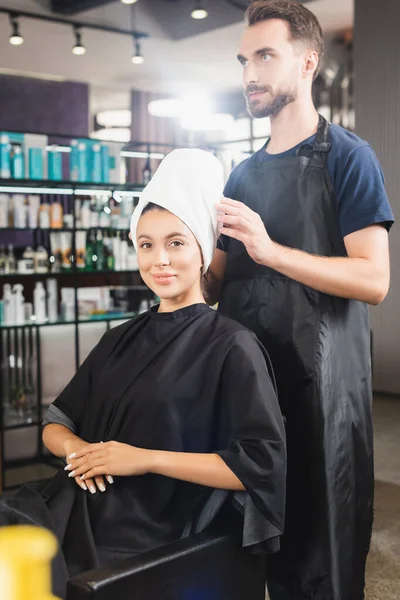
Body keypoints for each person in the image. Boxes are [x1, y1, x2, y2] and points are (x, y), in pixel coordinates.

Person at [0, 149, 286, 599]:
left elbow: (260, 467)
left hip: (153, 529)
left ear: (203, 249)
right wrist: (79, 452)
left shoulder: (232, 346)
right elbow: (56, 424)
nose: (160, 260)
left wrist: (143, 458)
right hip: (75, 502)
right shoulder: (120, 338)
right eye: (146, 244)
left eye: (176, 242)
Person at [207, 2, 394, 600]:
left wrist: (272, 251)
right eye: (244, 59)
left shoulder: (348, 157)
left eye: (266, 55)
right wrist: (174, 254)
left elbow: (374, 280)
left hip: (322, 401)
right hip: (247, 399)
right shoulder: (239, 177)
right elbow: (218, 286)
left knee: (319, 562)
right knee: (238, 549)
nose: (249, 74)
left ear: (308, 62)